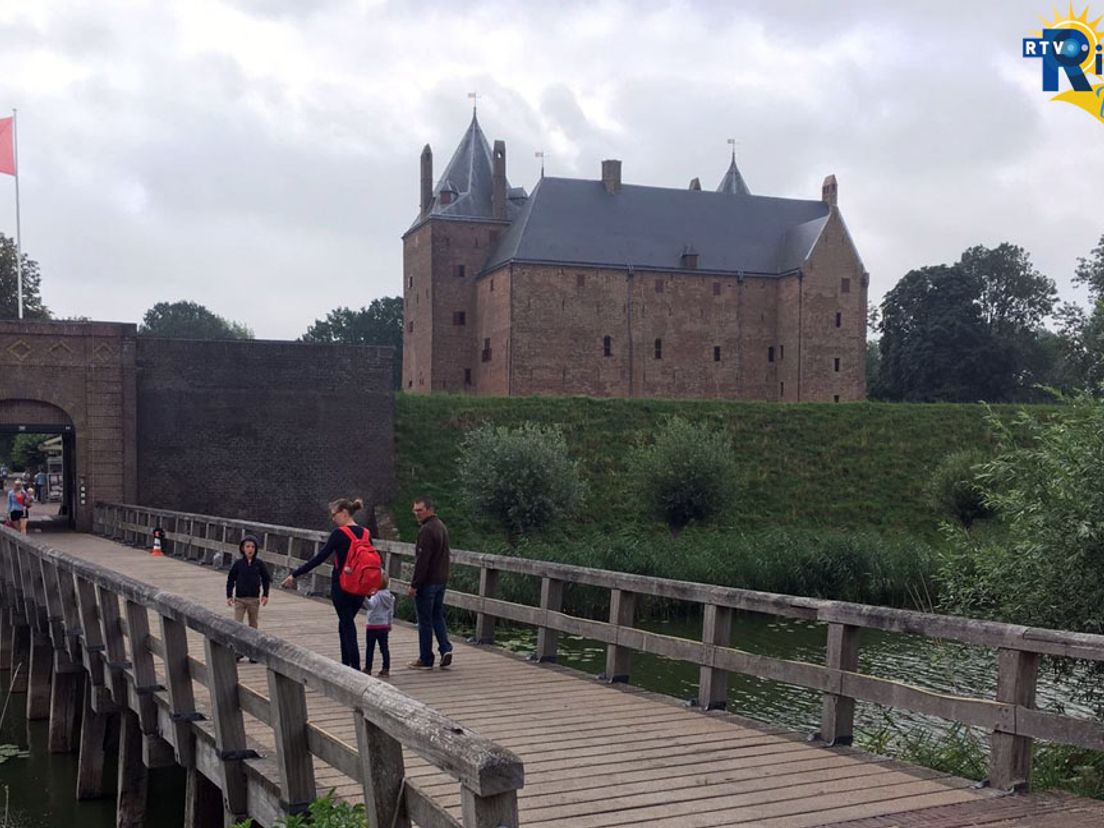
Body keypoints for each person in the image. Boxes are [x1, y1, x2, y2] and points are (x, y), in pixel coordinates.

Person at [281, 497, 369, 670]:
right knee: (345, 623)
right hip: (360, 586)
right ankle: (346, 666)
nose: (333, 518)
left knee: (348, 626)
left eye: (334, 514)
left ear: (344, 513)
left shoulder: (339, 534)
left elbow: (319, 558)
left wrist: (295, 574)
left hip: (342, 586)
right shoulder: (366, 533)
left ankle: (356, 670)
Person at [407, 496, 453, 670]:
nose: (416, 513)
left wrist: (415, 584)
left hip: (428, 583)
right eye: (415, 510)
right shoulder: (441, 526)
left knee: (425, 621)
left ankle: (426, 659)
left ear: (429, 509)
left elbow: (422, 561)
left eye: (420, 510)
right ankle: (446, 648)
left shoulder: (426, 530)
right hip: (441, 580)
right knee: (437, 616)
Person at [226, 533, 271, 662]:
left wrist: (265, 594)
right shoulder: (238, 564)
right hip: (239, 599)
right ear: (242, 548)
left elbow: (266, 579)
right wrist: (229, 595)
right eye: (247, 546)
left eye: (252, 547)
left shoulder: (259, 564)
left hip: (254, 600)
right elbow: (231, 579)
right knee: (237, 625)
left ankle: (252, 652)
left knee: (253, 626)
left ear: (256, 549)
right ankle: (237, 651)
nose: (250, 549)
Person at [364, 571, 395, 677]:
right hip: (383, 625)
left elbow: (371, 606)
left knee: (370, 648)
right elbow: (390, 612)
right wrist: (389, 623)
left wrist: (364, 598)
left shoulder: (376, 595)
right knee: (384, 648)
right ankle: (386, 668)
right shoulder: (390, 596)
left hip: (372, 625)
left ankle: (368, 668)